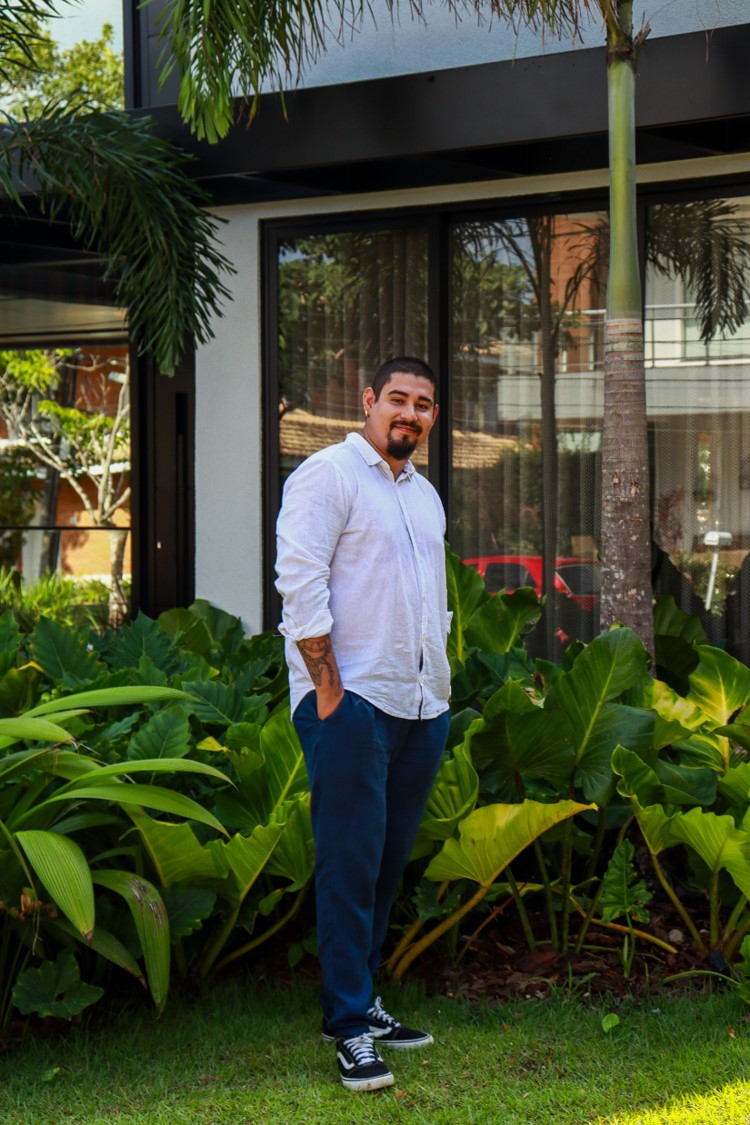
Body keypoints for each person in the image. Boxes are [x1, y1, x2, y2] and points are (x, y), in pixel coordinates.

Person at [275, 356, 451, 1092]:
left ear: (432, 416)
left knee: (383, 863)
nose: (409, 413)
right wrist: (328, 691)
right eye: (398, 399)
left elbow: (428, 595)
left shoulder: (424, 494)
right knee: (348, 864)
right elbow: (299, 582)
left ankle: (363, 999)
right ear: (370, 400)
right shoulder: (328, 475)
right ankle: (348, 1024)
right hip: (350, 703)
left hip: (421, 704)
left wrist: (439, 682)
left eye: (423, 404)